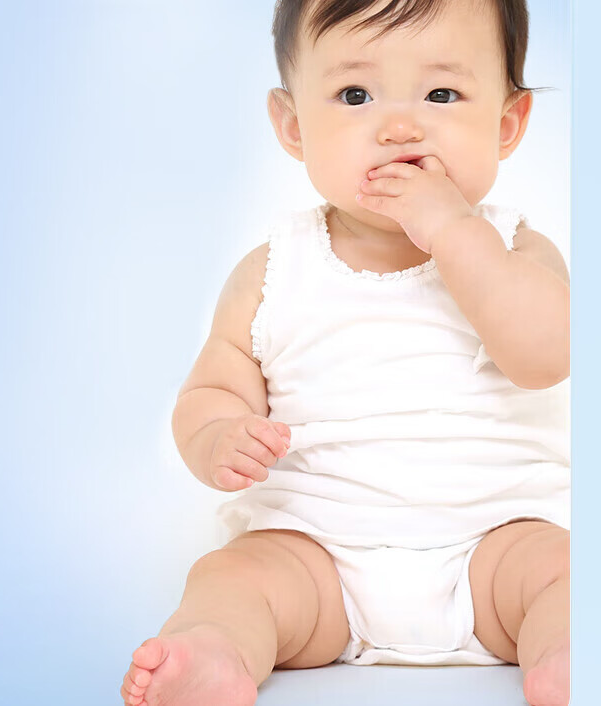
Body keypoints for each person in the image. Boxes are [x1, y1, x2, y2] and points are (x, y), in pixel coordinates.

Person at [120, 0, 570, 704]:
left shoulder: (516, 250)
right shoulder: (273, 271)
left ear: (507, 124)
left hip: (497, 549)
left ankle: (569, 652)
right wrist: (217, 436)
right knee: (231, 577)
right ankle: (215, 652)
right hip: (315, 558)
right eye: (355, 95)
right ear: (294, 126)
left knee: (567, 576)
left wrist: (452, 229)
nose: (400, 128)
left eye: (442, 94)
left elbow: (545, 355)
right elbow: (213, 389)